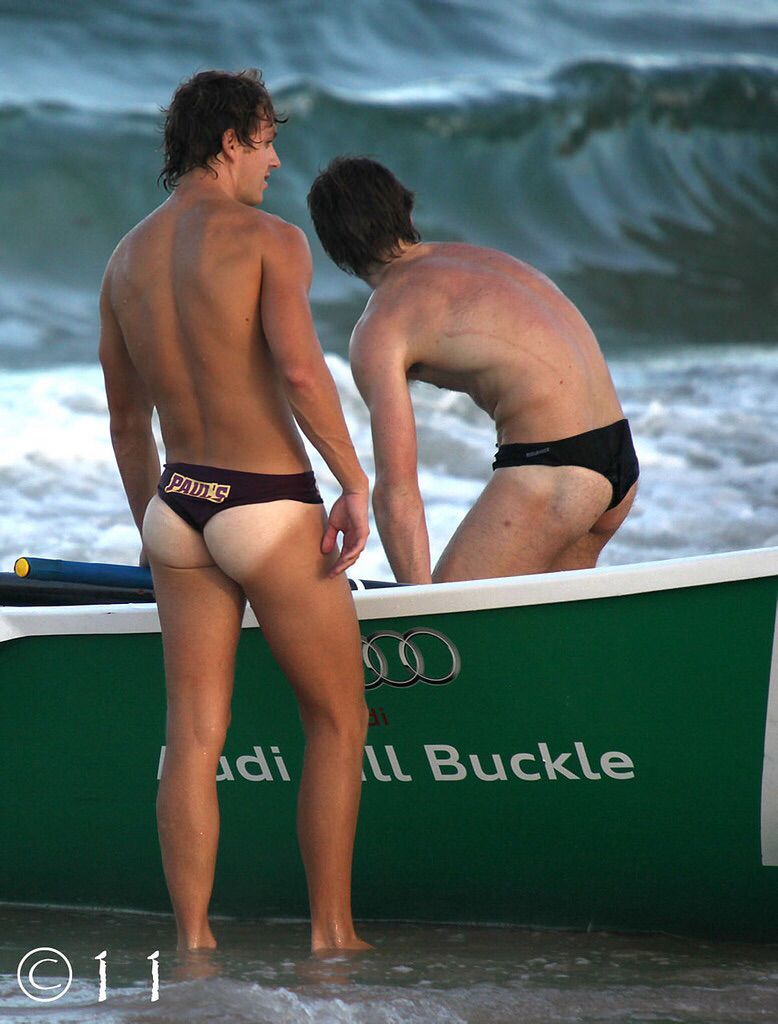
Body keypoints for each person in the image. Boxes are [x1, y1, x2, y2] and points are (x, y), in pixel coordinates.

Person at [99, 70, 371, 954]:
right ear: (229, 143)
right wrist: (353, 482)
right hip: (266, 503)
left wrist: (151, 530)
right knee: (338, 721)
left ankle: (193, 943)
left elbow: (126, 422)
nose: (275, 160)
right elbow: (299, 372)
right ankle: (332, 936)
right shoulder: (268, 240)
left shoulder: (125, 260)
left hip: (179, 504)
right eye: (266, 141)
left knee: (192, 738)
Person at [307, 156, 639, 585]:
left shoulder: (382, 326)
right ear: (407, 211)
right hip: (617, 458)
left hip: (554, 474)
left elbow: (397, 492)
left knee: (457, 617)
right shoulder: (479, 259)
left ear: (334, 250)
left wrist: (423, 611)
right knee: (544, 624)